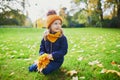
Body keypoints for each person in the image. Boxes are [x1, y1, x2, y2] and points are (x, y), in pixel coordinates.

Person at [29, 10, 68, 75]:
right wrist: (42, 54)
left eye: (60, 24)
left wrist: (52, 55)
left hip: (56, 61)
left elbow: (63, 51)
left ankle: (49, 67)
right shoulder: (46, 36)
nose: (58, 25)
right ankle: (38, 65)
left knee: (45, 71)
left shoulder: (62, 38)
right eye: (55, 23)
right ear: (49, 25)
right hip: (46, 59)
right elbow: (42, 48)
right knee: (31, 68)